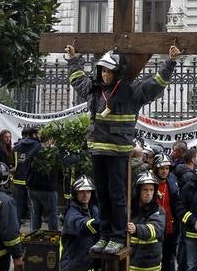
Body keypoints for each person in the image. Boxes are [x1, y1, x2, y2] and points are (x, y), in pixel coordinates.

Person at [66, 42, 180, 255]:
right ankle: (105, 235)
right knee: (102, 195)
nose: (105, 74)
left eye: (109, 71)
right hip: (98, 151)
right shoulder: (95, 91)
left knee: (117, 195)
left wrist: (171, 62)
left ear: (117, 72)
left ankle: (118, 236)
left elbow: (155, 84)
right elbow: (78, 80)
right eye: (103, 70)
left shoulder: (131, 92)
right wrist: (73, 59)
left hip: (118, 153)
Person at [154, 155, 180, 271]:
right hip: (152, 232)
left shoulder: (172, 182)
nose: (164, 171)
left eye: (167, 168)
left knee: (165, 267)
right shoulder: (148, 182)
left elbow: (177, 204)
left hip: (170, 230)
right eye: (162, 168)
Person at [26, 129, 59, 232]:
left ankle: (34, 236)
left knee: (35, 215)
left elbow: (27, 166)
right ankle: (53, 237)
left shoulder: (34, 149)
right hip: (47, 188)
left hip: (33, 188)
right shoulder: (52, 152)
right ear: (50, 139)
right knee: (52, 215)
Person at [12, 125, 42, 225]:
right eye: (38, 133)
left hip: (17, 179)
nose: (39, 135)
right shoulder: (37, 146)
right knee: (32, 206)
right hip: (31, 180)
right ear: (33, 134)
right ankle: (32, 231)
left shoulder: (16, 146)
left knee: (18, 205)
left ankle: (15, 229)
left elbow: (12, 163)